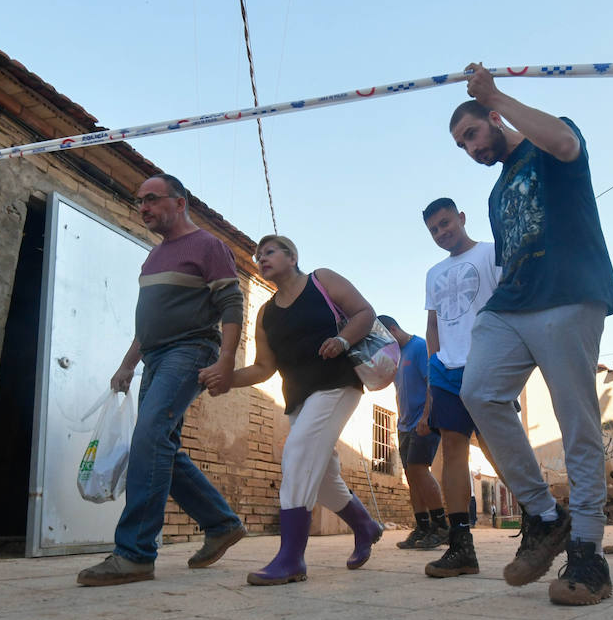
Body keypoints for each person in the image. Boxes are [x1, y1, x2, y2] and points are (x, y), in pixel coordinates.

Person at [447, 63, 613, 606]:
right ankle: (546, 515)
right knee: (477, 393)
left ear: (494, 118)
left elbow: (567, 142)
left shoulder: (549, 143)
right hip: (513, 301)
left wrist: (496, 93)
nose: (472, 150)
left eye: (472, 134)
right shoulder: (498, 194)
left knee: (576, 421)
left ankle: (588, 554)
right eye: (461, 146)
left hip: (569, 293)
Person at [77, 175, 247, 586]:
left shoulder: (208, 245)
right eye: (140, 202)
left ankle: (134, 553)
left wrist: (226, 360)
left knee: (150, 437)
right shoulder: (153, 258)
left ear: (180, 202)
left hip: (190, 351)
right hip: (155, 357)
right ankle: (221, 524)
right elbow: (148, 325)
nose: (144, 207)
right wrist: (126, 364)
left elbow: (231, 302)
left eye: (152, 199)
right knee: (162, 447)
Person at [202, 235, 384, 585]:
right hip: (299, 398)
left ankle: (291, 559)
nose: (261, 258)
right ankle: (365, 526)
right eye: (258, 256)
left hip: (337, 384)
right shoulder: (266, 314)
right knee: (324, 480)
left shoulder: (322, 280)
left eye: (269, 252)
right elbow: (263, 368)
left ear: (292, 256)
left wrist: (343, 339)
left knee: (297, 455)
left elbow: (365, 312)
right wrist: (225, 379)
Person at [417, 198, 501, 579]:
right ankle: (460, 543)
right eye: (434, 229)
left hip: (487, 362)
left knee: (500, 447)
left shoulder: (492, 253)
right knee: (452, 451)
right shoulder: (434, 273)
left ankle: (542, 520)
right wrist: (433, 371)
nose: (441, 232)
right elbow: (433, 326)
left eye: (446, 223)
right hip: (446, 370)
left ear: (462, 218)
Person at [375, 315, 447, 550]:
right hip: (405, 425)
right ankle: (423, 527)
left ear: (394, 329)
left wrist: (427, 416)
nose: (385, 346)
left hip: (423, 421)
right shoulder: (396, 355)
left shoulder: (418, 347)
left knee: (419, 470)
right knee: (411, 476)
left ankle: (442, 527)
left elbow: (432, 383)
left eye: (385, 340)